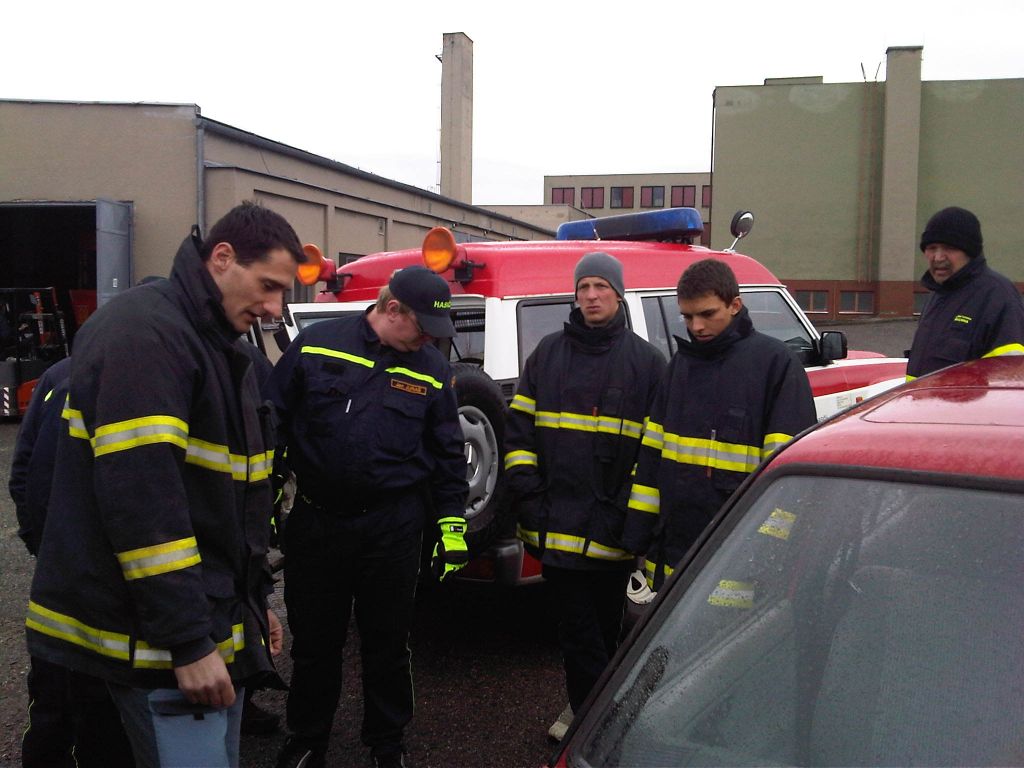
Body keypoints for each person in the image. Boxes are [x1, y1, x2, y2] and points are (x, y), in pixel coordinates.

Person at [25, 201, 303, 767]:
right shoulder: (147, 335)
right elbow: (144, 506)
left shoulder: (214, 344)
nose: (276, 308)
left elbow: (223, 508)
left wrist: (251, 610)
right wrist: (188, 643)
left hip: (197, 627)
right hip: (155, 646)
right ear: (222, 257)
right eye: (269, 286)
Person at [268, 266, 469, 768]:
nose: (428, 339)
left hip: (392, 528)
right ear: (391, 308)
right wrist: (263, 500)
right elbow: (272, 421)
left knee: (388, 643)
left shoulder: (431, 369)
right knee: (315, 642)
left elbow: (448, 454)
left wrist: (452, 525)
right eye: (422, 327)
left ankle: (387, 743)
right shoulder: (317, 345)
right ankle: (308, 738)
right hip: (317, 523)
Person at [503, 251, 667, 740]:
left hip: (612, 530)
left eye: (601, 287)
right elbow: (519, 433)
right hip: (555, 525)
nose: (591, 296)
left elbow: (654, 449)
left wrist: (630, 517)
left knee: (605, 627)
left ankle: (593, 710)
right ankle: (595, 727)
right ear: (575, 296)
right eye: (584, 288)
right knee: (577, 633)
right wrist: (530, 497)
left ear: (618, 294)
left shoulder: (647, 363)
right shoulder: (547, 355)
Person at [623, 258, 816, 591]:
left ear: (735, 305)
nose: (697, 327)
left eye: (707, 314)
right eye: (687, 317)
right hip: (670, 555)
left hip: (739, 556)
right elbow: (652, 458)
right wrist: (637, 534)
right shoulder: (680, 367)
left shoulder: (774, 365)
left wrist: (767, 550)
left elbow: (789, 475)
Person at [10, 356, 136, 768]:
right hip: (82, 582)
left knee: (64, 699)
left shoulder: (61, 374)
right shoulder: (77, 380)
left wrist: (48, 550)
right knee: (79, 704)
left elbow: (24, 473)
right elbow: (28, 477)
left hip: (66, 571)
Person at [906, 206, 1024, 379]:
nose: (938, 257)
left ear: (970, 252)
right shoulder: (938, 295)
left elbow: (1009, 376)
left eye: (948, 248)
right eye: (932, 248)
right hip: (923, 397)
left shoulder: (997, 297)